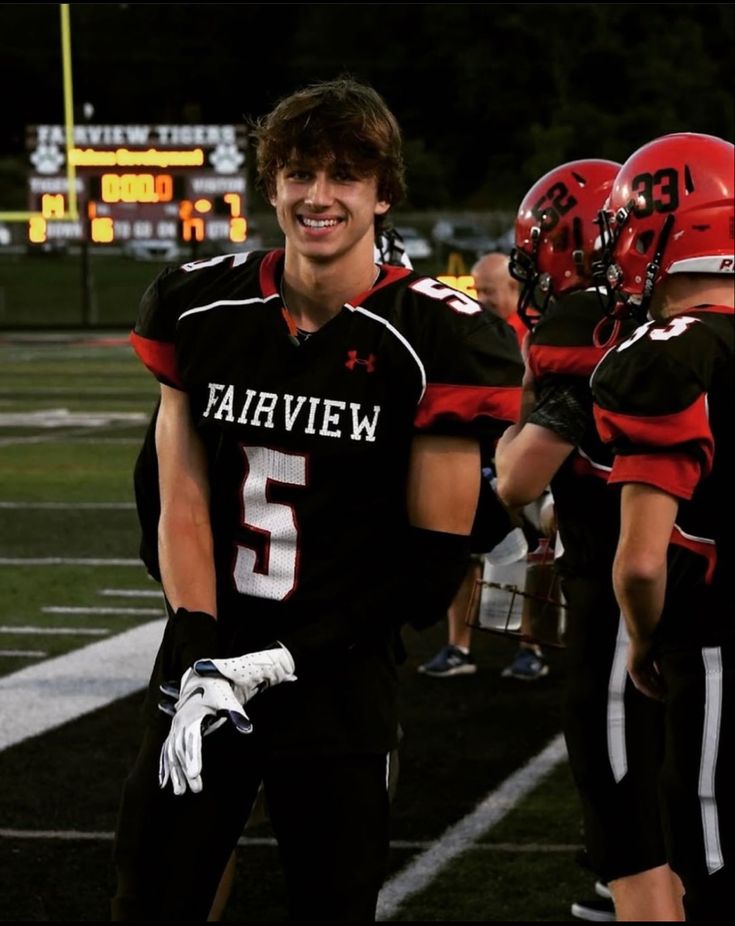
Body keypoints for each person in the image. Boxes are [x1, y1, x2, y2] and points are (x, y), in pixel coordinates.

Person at [111, 77, 524, 922]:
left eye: (344, 174)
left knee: (331, 902)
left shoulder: (436, 334)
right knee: (155, 891)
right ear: (272, 184)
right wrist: (198, 648)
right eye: (299, 173)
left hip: (337, 669)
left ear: (382, 192)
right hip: (208, 648)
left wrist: (276, 662)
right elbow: (176, 492)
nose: (319, 196)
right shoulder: (203, 304)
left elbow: (427, 564)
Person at [494, 157, 684, 921]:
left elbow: (518, 476)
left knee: (626, 811)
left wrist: (517, 426)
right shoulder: (675, 323)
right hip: (692, 582)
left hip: (623, 596)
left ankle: (634, 889)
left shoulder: (591, 330)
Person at [590, 132, 733, 921]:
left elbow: (641, 563)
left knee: (711, 879)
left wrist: (644, 638)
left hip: (712, 650)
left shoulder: (666, 356)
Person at [417, 250, 542, 679]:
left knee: (525, 556)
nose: (481, 298)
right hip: (476, 456)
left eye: (489, 290)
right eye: (479, 289)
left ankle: (530, 646)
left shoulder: (534, 334)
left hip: (520, 457)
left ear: (513, 289)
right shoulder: (468, 329)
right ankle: (459, 646)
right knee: (464, 554)